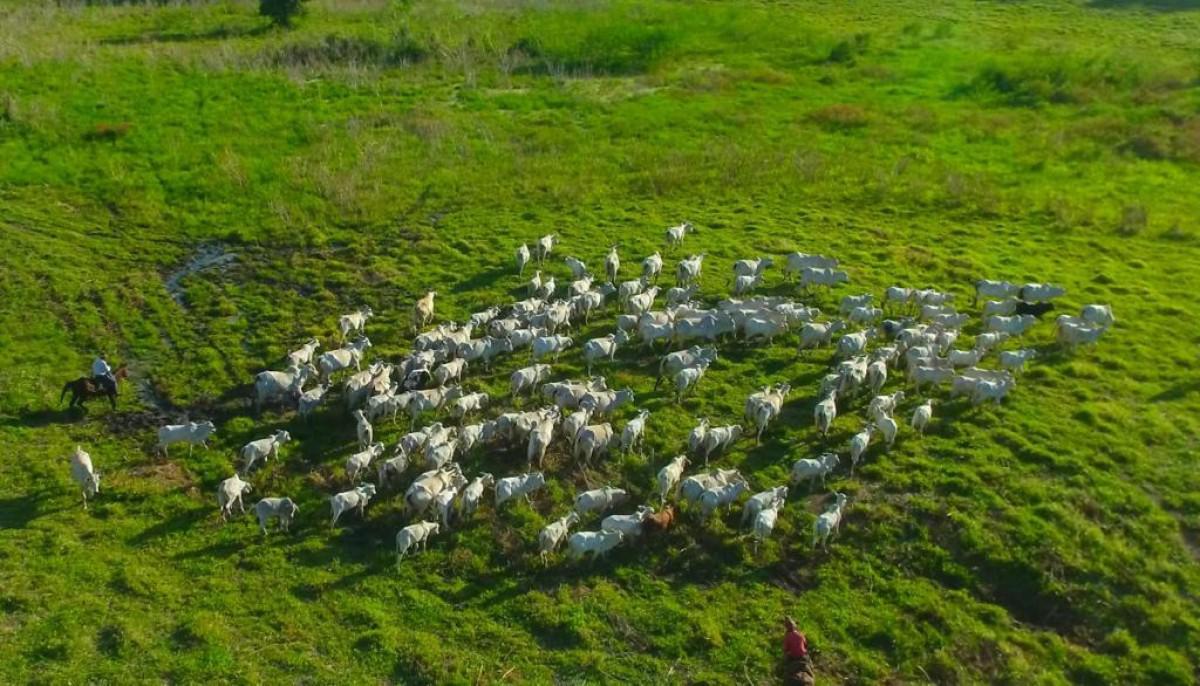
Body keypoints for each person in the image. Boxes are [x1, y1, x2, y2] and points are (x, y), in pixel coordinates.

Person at [781, 616, 815, 686]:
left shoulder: (787, 637)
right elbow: (805, 645)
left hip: (793, 656)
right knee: (810, 665)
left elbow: (785, 649)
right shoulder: (801, 635)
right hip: (803, 655)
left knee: (783, 666)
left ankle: (781, 673)